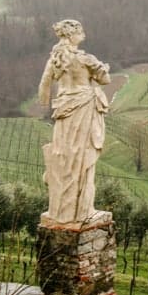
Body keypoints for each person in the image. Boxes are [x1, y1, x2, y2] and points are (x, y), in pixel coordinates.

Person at [38, 19, 110, 224]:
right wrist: (103, 68)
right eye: (80, 32)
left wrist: (50, 103)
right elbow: (105, 80)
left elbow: (43, 88)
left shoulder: (55, 59)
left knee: (64, 153)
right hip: (83, 108)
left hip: (63, 109)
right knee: (82, 155)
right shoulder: (86, 59)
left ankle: (62, 210)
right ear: (71, 35)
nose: (84, 36)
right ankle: (81, 210)